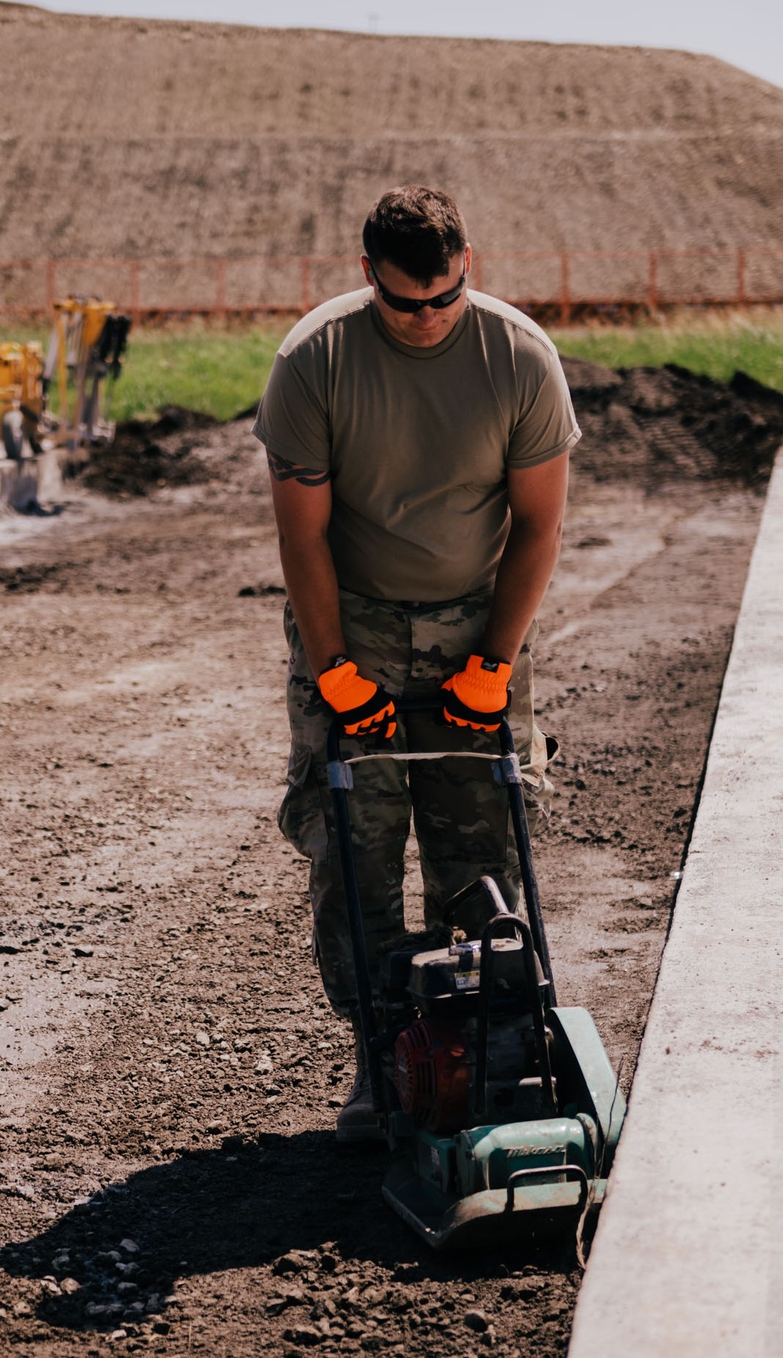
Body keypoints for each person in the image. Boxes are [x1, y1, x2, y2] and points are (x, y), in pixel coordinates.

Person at [252, 184, 580, 1141]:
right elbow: (303, 540)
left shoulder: (519, 356)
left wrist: (493, 663)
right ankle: (380, 1062)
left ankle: (480, 1051)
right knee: (352, 848)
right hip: (348, 623)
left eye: (446, 296)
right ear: (368, 277)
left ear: (467, 263)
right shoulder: (314, 361)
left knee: (477, 849)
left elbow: (540, 521)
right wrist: (338, 675)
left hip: (474, 626)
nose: (429, 318)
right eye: (405, 302)